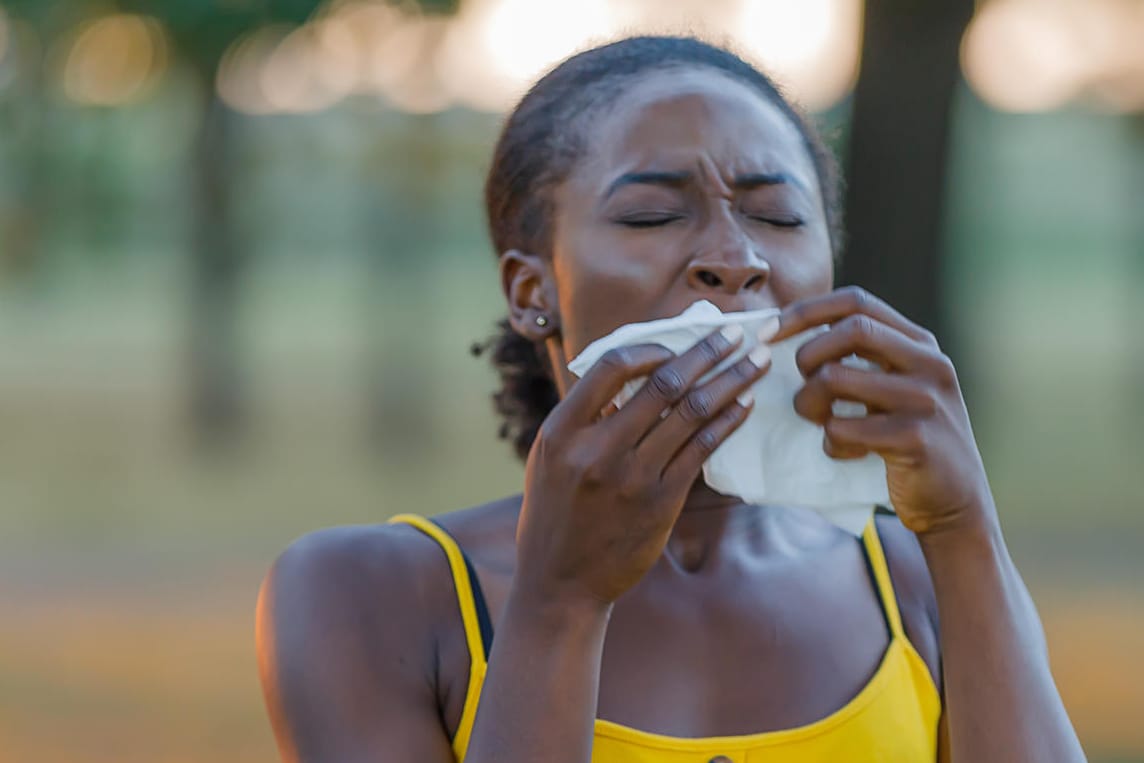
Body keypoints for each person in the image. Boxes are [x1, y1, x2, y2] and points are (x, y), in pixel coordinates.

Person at [256, 36, 1085, 763]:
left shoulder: (916, 584)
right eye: (652, 215)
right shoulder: (370, 596)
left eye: (779, 216)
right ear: (532, 287)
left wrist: (966, 528)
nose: (734, 258)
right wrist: (560, 603)